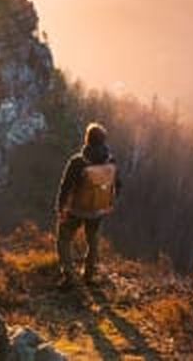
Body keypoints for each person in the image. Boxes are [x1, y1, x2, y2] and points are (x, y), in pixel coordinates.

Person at [55, 122, 121, 288]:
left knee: (64, 239)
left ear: (87, 140)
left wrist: (60, 207)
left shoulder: (78, 161)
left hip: (76, 209)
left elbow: (65, 186)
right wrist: (110, 203)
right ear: (104, 141)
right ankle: (89, 275)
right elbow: (117, 185)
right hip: (98, 210)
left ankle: (69, 275)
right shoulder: (110, 160)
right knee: (93, 242)